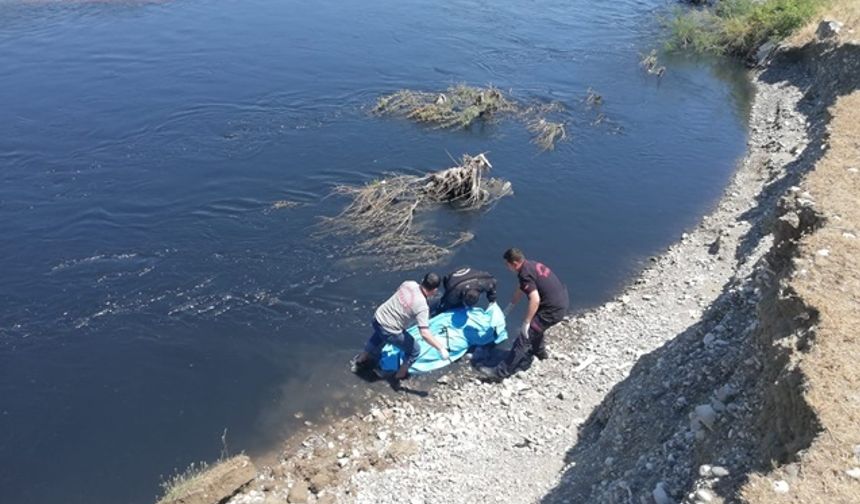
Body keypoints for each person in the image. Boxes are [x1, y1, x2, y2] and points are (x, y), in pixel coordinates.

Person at [478, 248, 569, 380]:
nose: (506, 267)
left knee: (524, 338)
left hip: (552, 310)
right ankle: (539, 352)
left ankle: (500, 373)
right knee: (537, 328)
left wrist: (526, 322)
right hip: (560, 300)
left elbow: (535, 299)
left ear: (514, 263)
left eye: (507, 264)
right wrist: (511, 306)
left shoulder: (524, 274)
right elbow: (522, 288)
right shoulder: (530, 265)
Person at [350, 273, 450, 380]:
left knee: (379, 335)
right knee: (414, 351)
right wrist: (440, 348)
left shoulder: (409, 284)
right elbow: (424, 333)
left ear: (423, 281)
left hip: (378, 317)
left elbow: (399, 293)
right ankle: (400, 375)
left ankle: (361, 359)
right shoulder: (422, 307)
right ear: (434, 291)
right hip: (389, 329)